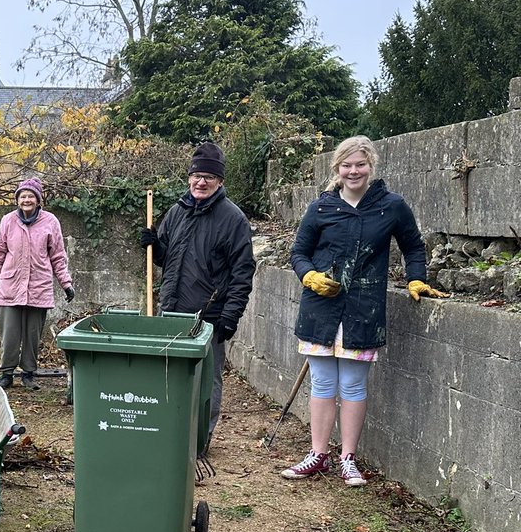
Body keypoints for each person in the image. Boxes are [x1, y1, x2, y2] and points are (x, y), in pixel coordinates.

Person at [281, 135, 448, 486]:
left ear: (371, 166)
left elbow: (414, 247)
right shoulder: (322, 207)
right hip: (320, 308)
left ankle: (348, 459)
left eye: (360, 164)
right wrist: (308, 275)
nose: (353, 171)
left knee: (353, 386)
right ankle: (317, 454)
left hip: (364, 309)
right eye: (347, 165)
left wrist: (416, 279)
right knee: (323, 382)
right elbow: (299, 252)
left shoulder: (392, 206)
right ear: (337, 168)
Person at [140, 142, 254, 447]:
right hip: (171, 310)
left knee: (206, 382)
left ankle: (199, 440)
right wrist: (153, 245)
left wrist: (231, 315)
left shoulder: (233, 220)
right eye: (196, 176)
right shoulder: (177, 212)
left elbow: (243, 272)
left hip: (208, 317)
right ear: (188, 178)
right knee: (169, 375)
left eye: (208, 177)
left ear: (220, 181)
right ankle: (168, 434)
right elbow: (165, 258)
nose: (200, 182)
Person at [0, 177, 74, 390]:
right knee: (10, 334)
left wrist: (66, 283)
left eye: (30, 196)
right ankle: (6, 373)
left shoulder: (50, 221)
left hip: (38, 286)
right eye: (22, 196)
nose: (26, 200)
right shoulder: (7, 221)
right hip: (11, 284)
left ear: (38, 200)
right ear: (17, 200)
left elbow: (58, 256)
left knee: (33, 334)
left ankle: (28, 373)